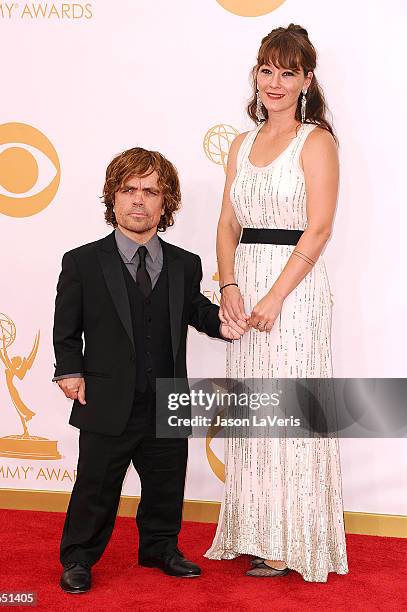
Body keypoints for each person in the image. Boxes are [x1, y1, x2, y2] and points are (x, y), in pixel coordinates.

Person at [53, 147, 246, 593]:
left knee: (166, 480)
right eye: (129, 190)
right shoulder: (81, 261)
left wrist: (225, 322)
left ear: (166, 203)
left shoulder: (184, 263)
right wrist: (68, 369)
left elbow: (196, 310)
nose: (139, 200)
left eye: (151, 191)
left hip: (168, 395)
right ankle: (78, 558)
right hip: (104, 395)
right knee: (96, 487)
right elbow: (67, 325)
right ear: (113, 198)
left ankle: (161, 547)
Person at [204, 24, 349, 582]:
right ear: (257, 75)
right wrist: (231, 289)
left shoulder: (317, 141)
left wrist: (273, 296)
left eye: (288, 72)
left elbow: (318, 230)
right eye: (267, 70)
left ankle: (295, 538)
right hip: (245, 289)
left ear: (307, 79)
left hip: (294, 290)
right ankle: (258, 529)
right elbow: (226, 224)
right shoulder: (240, 144)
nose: (275, 82)